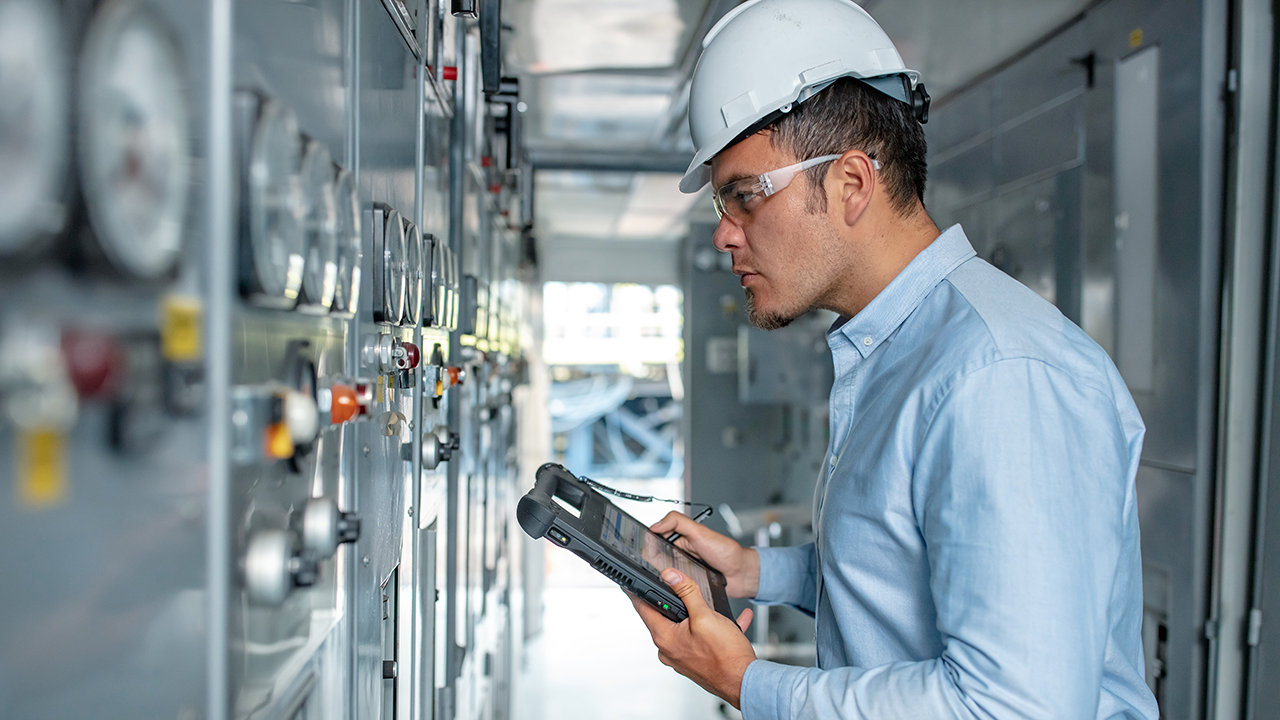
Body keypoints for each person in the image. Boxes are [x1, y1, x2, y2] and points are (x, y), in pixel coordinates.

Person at [627, 1, 1161, 718]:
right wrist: (760, 572)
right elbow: (914, 579)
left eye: (745, 197)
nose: (725, 234)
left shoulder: (999, 377)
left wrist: (748, 684)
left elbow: (1012, 706)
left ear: (851, 184)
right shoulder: (898, 353)